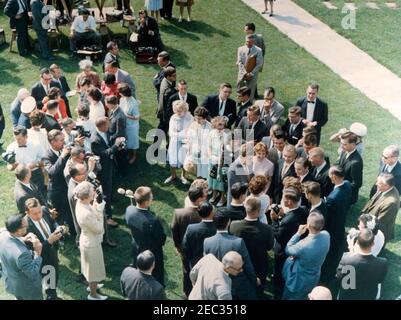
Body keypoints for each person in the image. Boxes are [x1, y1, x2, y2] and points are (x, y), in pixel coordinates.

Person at [204, 208, 258, 300]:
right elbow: (247, 266)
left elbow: (207, 265)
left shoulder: (207, 242)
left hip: (216, 285)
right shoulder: (238, 242)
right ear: (228, 222)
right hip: (237, 286)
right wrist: (254, 281)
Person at [229, 196, 274, 298]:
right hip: (259, 266)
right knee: (258, 292)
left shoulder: (233, 226)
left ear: (246, 208)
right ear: (258, 211)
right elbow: (269, 246)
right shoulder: (267, 229)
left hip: (240, 266)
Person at [282, 212, 330, 300]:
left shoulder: (303, 245)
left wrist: (298, 233)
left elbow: (288, 249)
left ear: (308, 226)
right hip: (313, 279)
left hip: (297, 283)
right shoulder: (326, 235)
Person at [270, 187, 308, 299]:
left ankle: (278, 294)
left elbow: (278, 235)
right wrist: (283, 216)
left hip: (283, 252)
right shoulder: (304, 209)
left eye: (283, 198)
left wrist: (275, 220)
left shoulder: (287, 221)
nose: (281, 201)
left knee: (279, 276)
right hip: (297, 247)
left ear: (289, 202)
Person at [125, 186, 167, 286]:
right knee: (155, 275)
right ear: (147, 202)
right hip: (152, 253)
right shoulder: (153, 221)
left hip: (137, 247)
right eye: (151, 196)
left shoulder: (129, 210)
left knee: (139, 272)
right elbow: (162, 239)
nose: (152, 197)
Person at [320, 165, 352, 287]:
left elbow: (327, 217)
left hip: (332, 228)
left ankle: (326, 278)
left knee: (330, 255)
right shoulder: (347, 185)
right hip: (341, 222)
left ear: (333, 177)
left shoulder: (332, 198)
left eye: (329, 176)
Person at [74, 181, 107, 300]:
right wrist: (100, 209)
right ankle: (93, 294)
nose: (95, 193)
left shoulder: (81, 202)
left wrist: (95, 206)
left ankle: (93, 286)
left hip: (88, 239)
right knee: (94, 271)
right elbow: (98, 228)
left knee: (91, 268)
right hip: (91, 243)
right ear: (87, 196)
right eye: (92, 191)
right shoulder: (86, 213)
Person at [25, 198, 63, 300]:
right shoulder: (25, 227)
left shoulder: (44, 210)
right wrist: (48, 241)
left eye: (39, 212)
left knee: (54, 275)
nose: (38, 216)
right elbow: (33, 250)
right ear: (27, 213)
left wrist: (57, 227)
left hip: (53, 252)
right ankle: (51, 296)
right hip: (41, 260)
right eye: (34, 214)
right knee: (48, 281)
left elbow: (52, 221)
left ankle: (53, 294)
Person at [0, 214, 43, 300]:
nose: (27, 226)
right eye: (25, 226)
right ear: (19, 231)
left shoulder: (2, 235)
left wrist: (22, 239)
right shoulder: (22, 254)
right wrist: (38, 251)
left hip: (12, 282)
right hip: (28, 289)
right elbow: (33, 273)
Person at [171, 185, 204, 296]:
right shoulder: (204, 214)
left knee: (186, 270)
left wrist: (177, 246)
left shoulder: (178, 213)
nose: (205, 198)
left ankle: (188, 291)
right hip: (200, 249)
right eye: (203, 197)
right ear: (199, 199)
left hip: (184, 249)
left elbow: (174, 230)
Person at [337, 229, 388, 300]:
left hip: (347, 296)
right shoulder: (382, 263)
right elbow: (380, 280)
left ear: (357, 242)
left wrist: (351, 250)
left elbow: (339, 277)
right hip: (368, 296)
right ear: (373, 243)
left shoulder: (346, 259)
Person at [91, 117, 121, 227]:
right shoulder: (95, 140)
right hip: (104, 170)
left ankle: (112, 201)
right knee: (106, 192)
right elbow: (104, 154)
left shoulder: (105, 132)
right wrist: (115, 145)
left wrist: (117, 144)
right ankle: (108, 217)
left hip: (111, 165)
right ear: (102, 126)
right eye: (107, 125)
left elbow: (109, 141)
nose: (109, 127)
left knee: (112, 185)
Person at [43, 129, 73, 231]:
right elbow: (52, 171)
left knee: (70, 211)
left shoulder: (63, 149)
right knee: (59, 215)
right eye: (61, 140)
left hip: (67, 186)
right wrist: (62, 156)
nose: (64, 142)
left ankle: (72, 230)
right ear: (53, 142)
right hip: (57, 191)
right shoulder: (47, 156)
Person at [6, 126, 45, 193]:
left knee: (41, 195)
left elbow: (45, 160)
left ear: (26, 136)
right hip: (21, 176)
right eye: (15, 139)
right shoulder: (11, 148)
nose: (17, 141)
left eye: (19, 139)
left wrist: (35, 164)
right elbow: (8, 166)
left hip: (36, 174)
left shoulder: (36, 145)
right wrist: (12, 166)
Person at [362, 173, 400, 242]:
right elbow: (372, 200)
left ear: (386, 186)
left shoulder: (391, 203)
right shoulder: (384, 188)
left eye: (379, 183)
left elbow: (379, 222)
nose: (376, 184)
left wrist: (364, 226)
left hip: (377, 232)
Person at [165, 100, 193, 185]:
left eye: (180, 111)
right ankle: (173, 175)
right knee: (172, 158)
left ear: (185, 109)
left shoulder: (190, 118)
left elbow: (189, 132)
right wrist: (181, 133)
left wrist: (178, 133)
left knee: (184, 159)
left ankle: (183, 175)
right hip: (174, 142)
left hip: (185, 142)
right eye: (176, 111)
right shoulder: (173, 117)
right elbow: (171, 132)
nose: (178, 113)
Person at [182, 201, 216, 271]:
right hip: (214, 264)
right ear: (211, 213)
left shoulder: (191, 229)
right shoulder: (217, 228)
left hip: (196, 264)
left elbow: (185, 247)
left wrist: (190, 259)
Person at [207, 116, 230, 206]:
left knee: (220, 180)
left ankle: (222, 198)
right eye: (218, 128)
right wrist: (211, 156)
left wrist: (219, 160)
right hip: (213, 159)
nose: (220, 130)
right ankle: (214, 194)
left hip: (223, 160)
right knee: (212, 178)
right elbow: (208, 146)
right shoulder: (211, 133)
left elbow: (224, 151)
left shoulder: (226, 135)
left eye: (222, 128)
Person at [335, 131, 363, 204]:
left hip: (346, 195)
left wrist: (341, 184)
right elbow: (339, 164)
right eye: (341, 143)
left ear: (353, 145)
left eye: (344, 144)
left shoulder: (356, 162)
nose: (341, 146)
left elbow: (357, 184)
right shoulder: (344, 151)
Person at [186, 106, 212, 179]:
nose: (197, 120)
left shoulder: (210, 127)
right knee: (196, 170)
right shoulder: (193, 124)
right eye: (196, 118)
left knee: (204, 172)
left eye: (199, 119)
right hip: (195, 150)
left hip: (205, 153)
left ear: (205, 118)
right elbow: (189, 138)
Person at [237, 34, 264, 102]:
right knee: (240, 89)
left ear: (254, 42)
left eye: (250, 42)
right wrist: (245, 73)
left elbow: (259, 64)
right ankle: (240, 102)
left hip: (253, 75)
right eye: (247, 41)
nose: (248, 43)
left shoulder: (258, 51)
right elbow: (239, 62)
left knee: (250, 91)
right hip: (242, 74)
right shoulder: (240, 49)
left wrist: (251, 74)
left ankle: (249, 104)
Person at [118, 83, 140, 164]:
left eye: (120, 93)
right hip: (124, 124)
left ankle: (134, 155)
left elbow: (137, 117)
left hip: (132, 125)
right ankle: (127, 152)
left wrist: (126, 115)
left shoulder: (133, 103)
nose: (119, 94)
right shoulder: (122, 99)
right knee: (126, 139)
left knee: (133, 141)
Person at [106, 95, 127, 175]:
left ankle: (123, 172)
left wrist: (110, 137)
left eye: (107, 104)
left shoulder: (120, 116)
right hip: (115, 137)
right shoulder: (113, 110)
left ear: (112, 104)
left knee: (120, 156)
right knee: (117, 156)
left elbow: (120, 133)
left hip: (119, 140)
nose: (106, 105)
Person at [157, 66, 177, 135]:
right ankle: (156, 145)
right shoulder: (168, 90)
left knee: (162, 130)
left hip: (163, 112)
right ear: (168, 76)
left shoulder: (166, 80)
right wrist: (175, 91)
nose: (175, 77)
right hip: (165, 114)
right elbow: (168, 103)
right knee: (162, 130)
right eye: (174, 76)